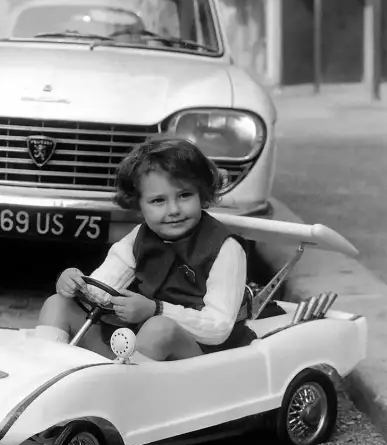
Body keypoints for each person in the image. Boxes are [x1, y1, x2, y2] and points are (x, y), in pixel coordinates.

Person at [34, 136, 254, 361]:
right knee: (58, 304)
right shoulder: (139, 237)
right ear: (139, 204)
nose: (174, 210)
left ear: (202, 194)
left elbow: (218, 328)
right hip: (142, 348)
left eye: (185, 195)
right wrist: (74, 284)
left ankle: (121, 388)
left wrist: (156, 309)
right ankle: (45, 370)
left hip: (203, 357)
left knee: (159, 329)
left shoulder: (225, 247)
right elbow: (101, 291)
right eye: (158, 201)